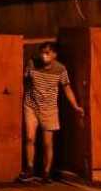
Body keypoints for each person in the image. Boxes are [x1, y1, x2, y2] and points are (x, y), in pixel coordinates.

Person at [18, 41, 83, 183]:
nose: (43, 56)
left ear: (54, 54)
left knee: (48, 143)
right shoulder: (32, 64)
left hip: (49, 108)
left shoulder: (60, 69)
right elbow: (24, 82)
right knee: (30, 138)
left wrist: (75, 106)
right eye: (42, 52)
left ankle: (46, 172)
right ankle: (29, 168)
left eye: (47, 53)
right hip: (31, 106)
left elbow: (67, 88)